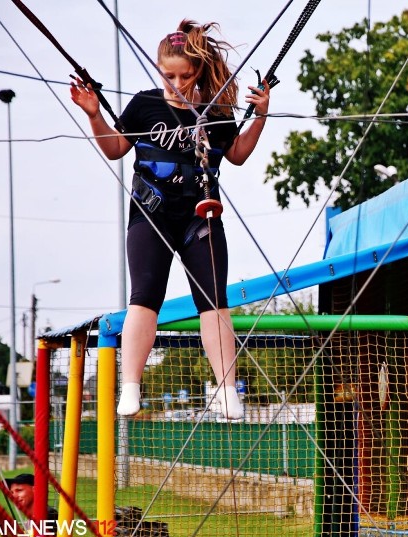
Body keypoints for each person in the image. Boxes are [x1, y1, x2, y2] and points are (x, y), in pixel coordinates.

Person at [70, 20, 271, 419]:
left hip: (200, 214)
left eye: (185, 75)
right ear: (158, 70)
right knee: (145, 295)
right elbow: (114, 150)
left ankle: (227, 387)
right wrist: (95, 115)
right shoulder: (144, 106)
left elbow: (237, 154)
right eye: (168, 75)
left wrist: (260, 116)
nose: (176, 83)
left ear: (198, 70)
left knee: (213, 299)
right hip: (151, 214)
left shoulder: (216, 112)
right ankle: (131, 386)